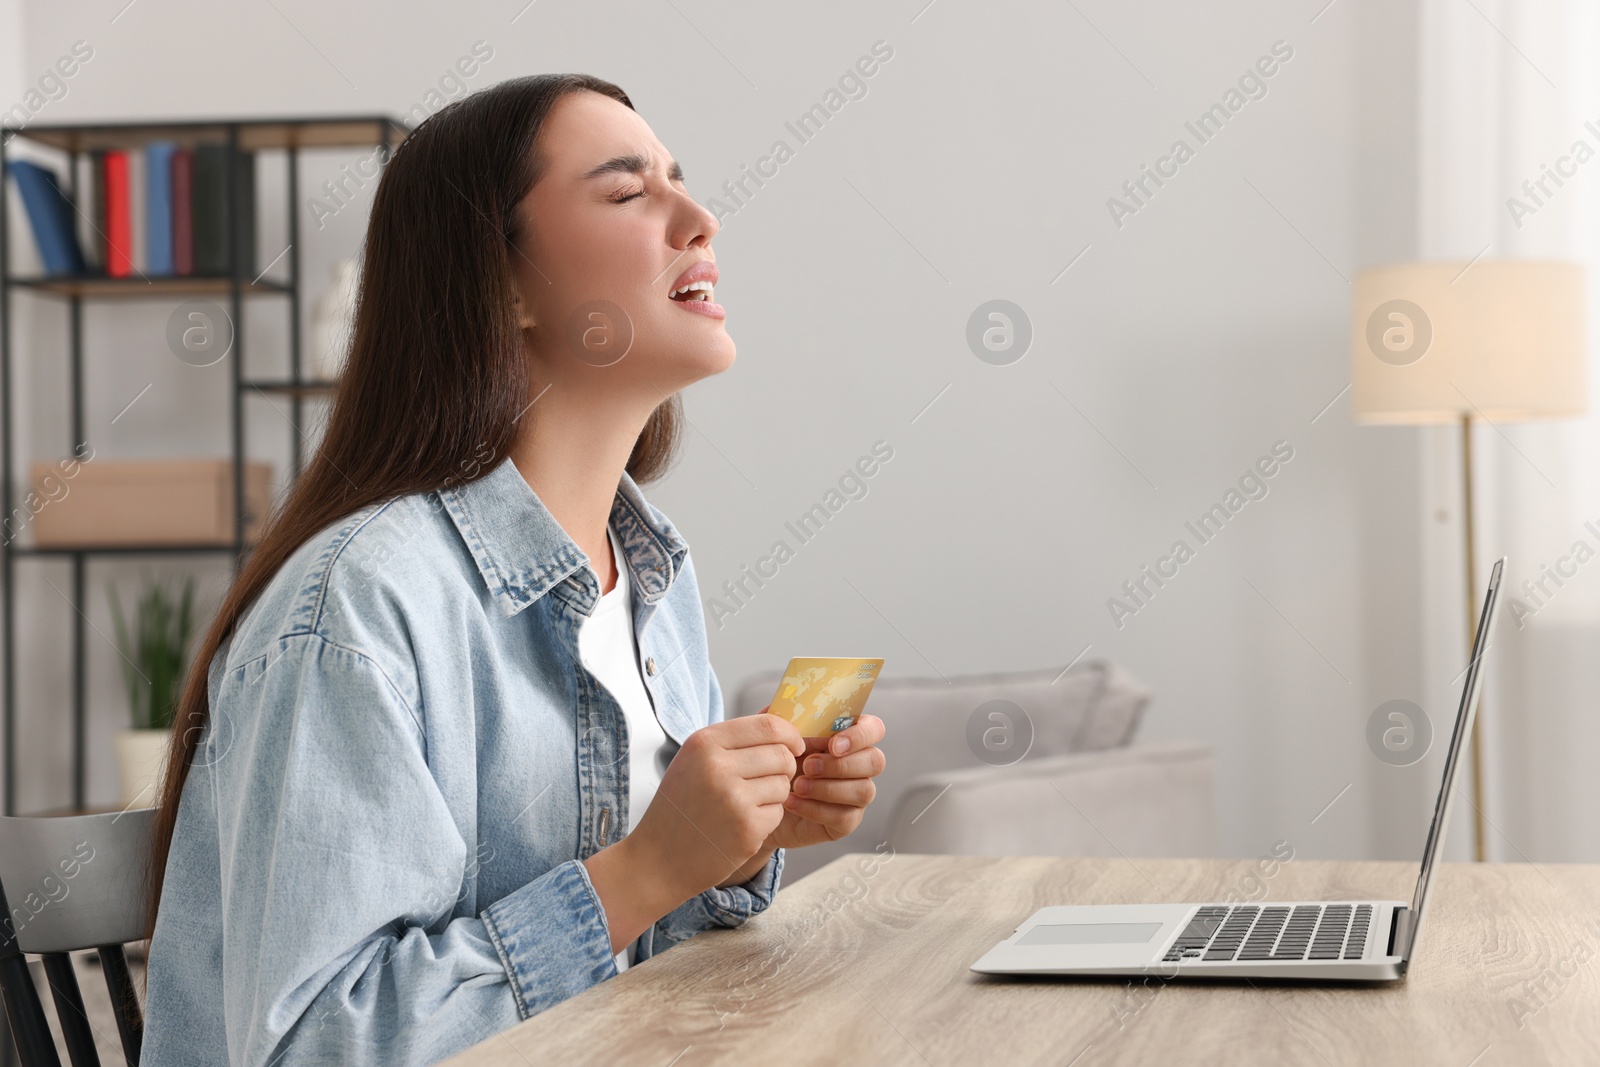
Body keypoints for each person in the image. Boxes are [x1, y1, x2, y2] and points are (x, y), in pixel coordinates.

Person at [141, 73, 889, 1066]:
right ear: (502, 284)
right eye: (629, 193)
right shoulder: (358, 605)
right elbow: (314, 1045)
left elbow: (635, 980)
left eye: (681, 183)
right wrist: (644, 867)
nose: (700, 219)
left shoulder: (652, 575)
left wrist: (731, 849)